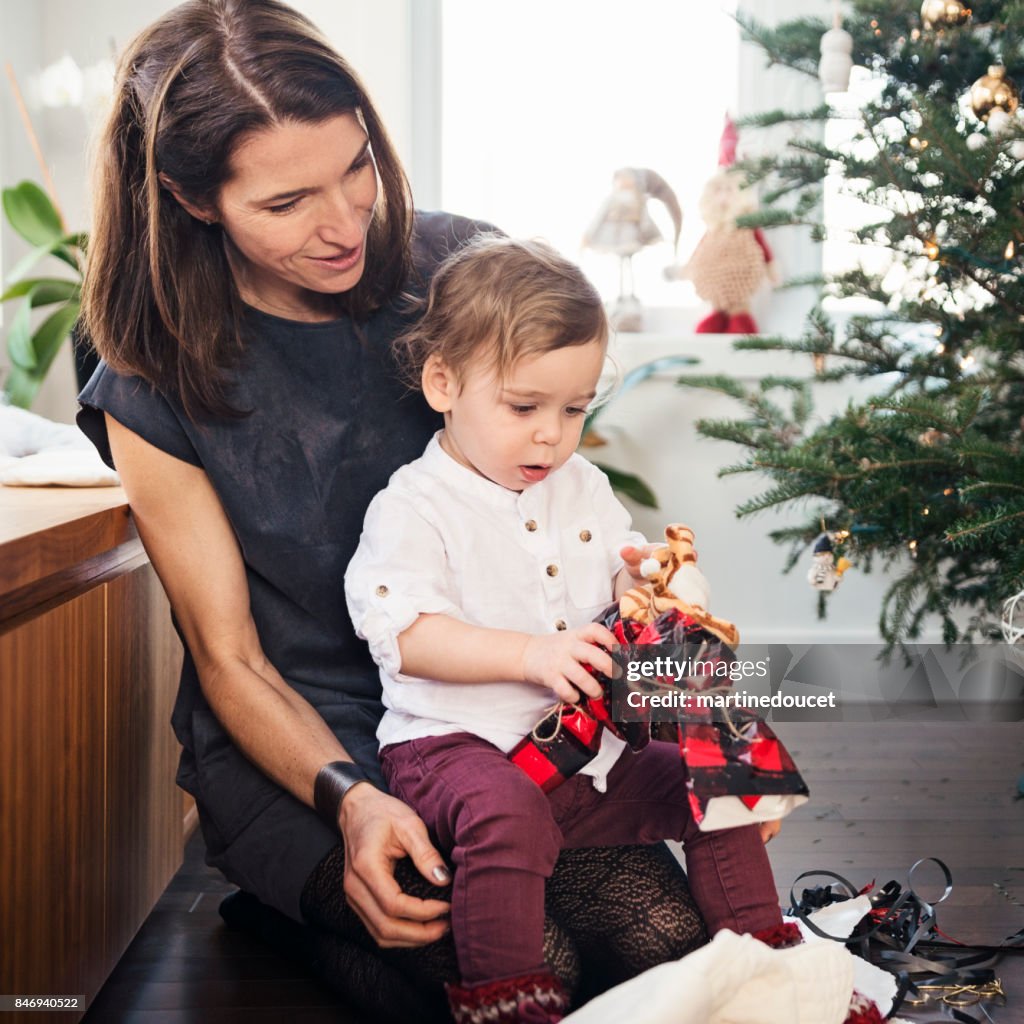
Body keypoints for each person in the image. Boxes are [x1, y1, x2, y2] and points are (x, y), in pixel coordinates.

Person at [74, 2, 707, 1021]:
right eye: (287, 202)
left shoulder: (459, 274)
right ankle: (292, 899)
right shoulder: (149, 376)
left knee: (662, 941)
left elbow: (561, 526)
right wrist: (354, 803)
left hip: (489, 723)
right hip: (306, 752)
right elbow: (230, 660)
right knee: (521, 963)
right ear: (194, 199)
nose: (344, 223)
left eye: (356, 167)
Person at [344, 236, 785, 1023]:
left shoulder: (580, 486)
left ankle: (764, 970)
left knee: (719, 771)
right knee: (503, 814)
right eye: (524, 407)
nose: (553, 434)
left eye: (575, 409)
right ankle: (509, 1003)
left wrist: (642, 581)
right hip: (455, 747)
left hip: (581, 758)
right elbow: (403, 634)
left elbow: (619, 576)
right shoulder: (413, 507)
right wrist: (530, 655)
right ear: (443, 382)